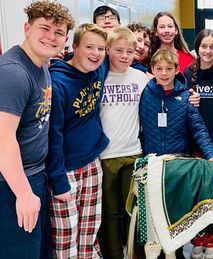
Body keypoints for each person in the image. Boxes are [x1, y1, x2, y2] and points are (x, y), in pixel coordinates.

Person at [0, 2, 74, 258]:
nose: (51, 37)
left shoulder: (41, 64)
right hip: (11, 183)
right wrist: (23, 194)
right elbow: (2, 138)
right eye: (45, 28)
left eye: (58, 32)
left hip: (35, 175)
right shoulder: (13, 73)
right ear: (27, 28)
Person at [47, 23, 109, 258]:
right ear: (74, 47)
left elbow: (127, 59)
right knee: (66, 238)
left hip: (92, 163)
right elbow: (53, 136)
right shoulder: (58, 83)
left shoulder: (99, 69)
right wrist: (58, 180)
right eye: (89, 47)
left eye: (101, 48)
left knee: (89, 233)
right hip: (65, 171)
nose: (95, 53)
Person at [98, 27, 150, 259]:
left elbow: (163, 90)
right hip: (105, 155)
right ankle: (113, 254)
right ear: (108, 49)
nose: (124, 56)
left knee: (134, 211)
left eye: (130, 51)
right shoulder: (98, 76)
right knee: (110, 213)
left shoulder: (140, 77)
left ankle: (135, 254)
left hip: (133, 153)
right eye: (119, 50)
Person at [185, 29, 213, 161]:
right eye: (204, 46)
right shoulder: (188, 72)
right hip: (195, 143)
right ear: (197, 47)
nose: (208, 51)